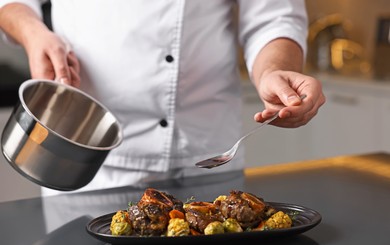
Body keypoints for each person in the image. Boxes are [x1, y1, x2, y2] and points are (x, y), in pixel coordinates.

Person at [0, 1, 325, 196]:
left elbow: (273, 17)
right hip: (86, 159)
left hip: (204, 155)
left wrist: (274, 72)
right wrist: (33, 33)